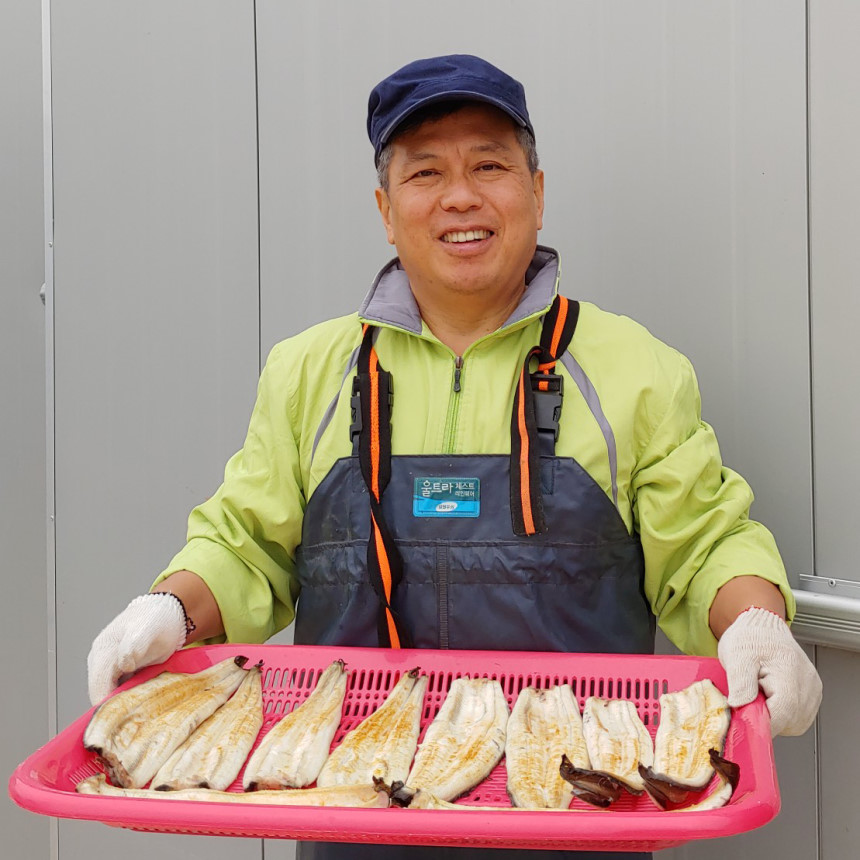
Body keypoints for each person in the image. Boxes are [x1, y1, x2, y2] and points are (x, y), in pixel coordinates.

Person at [87, 55, 822, 859]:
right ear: (385, 208)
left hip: (577, 819)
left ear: (538, 194)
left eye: (490, 165)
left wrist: (755, 619)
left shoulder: (634, 369)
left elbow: (707, 543)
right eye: (426, 172)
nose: (461, 196)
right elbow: (245, 544)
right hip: (351, 816)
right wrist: (169, 608)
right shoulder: (310, 373)